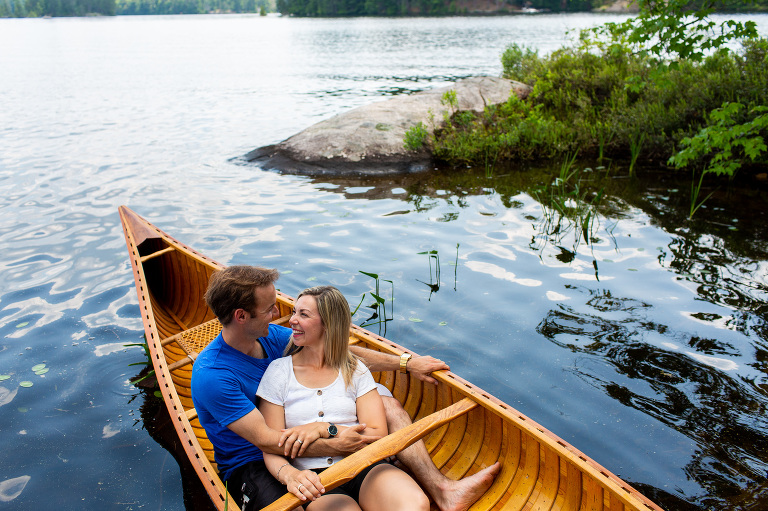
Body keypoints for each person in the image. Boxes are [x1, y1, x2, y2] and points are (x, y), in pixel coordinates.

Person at [191, 265, 499, 511]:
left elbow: (337, 351)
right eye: (270, 308)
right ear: (241, 316)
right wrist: (336, 440)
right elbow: (269, 442)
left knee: (388, 405)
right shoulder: (213, 375)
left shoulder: (270, 336)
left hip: (301, 439)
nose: (279, 315)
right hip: (253, 460)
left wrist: (405, 363)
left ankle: (441, 489)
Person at [257, 285, 429, 510]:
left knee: (416, 505)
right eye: (294, 312)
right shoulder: (278, 373)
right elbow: (271, 445)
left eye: (303, 314)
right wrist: (290, 475)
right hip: (314, 478)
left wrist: (325, 428)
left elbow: (377, 435)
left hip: (364, 465)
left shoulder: (354, 369)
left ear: (328, 324)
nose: (292, 320)